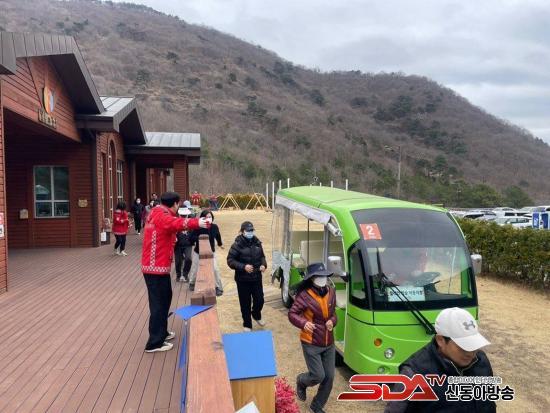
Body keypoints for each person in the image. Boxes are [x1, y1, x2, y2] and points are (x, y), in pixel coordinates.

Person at [384, 307, 495, 413]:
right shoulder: (414, 374)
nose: (471, 353)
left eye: (473, 345)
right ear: (440, 340)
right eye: (463, 347)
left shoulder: (481, 361)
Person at [141, 191, 209, 353]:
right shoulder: (162, 215)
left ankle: (161, 333)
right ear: (175, 204)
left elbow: (169, 227)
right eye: (178, 204)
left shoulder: (157, 212)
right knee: (158, 304)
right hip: (154, 268)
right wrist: (198, 222)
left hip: (158, 267)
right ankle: (154, 343)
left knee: (165, 299)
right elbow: (175, 224)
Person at [288, 262, 337, 413]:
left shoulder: (331, 292)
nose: (323, 278)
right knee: (318, 375)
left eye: (324, 275)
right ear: (312, 278)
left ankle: (316, 405)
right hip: (311, 342)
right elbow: (292, 314)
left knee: (329, 377)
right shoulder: (304, 295)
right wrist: (303, 323)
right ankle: (301, 381)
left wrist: (332, 321)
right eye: (319, 276)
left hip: (329, 342)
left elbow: (334, 314)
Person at [227, 221, 267, 331]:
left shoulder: (257, 242)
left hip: (256, 277)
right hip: (242, 279)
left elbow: (262, 256)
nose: (250, 232)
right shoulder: (237, 244)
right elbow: (230, 260)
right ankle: (247, 324)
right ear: (242, 231)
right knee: (245, 303)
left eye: (252, 230)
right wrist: (243, 267)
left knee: (260, 300)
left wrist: (264, 265)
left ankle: (256, 315)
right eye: (248, 231)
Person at [188, 209, 224, 295]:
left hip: (211, 252)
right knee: (195, 269)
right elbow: (191, 238)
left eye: (210, 217)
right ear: (202, 218)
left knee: (215, 269)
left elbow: (218, 236)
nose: (208, 219)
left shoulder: (214, 227)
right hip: (198, 251)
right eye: (206, 217)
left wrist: (220, 244)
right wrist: (200, 238)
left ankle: (218, 287)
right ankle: (192, 282)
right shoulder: (198, 227)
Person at [174, 206, 194, 283]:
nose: (183, 217)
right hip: (178, 244)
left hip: (188, 244)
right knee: (178, 261)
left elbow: (194, 232)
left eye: (185, 215)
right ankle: (178, 275)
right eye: (182, 215)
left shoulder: (191, 222)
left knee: (188, 259)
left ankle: (185, 274)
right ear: (179, 215)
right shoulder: (175, 221)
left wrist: (193, 239)